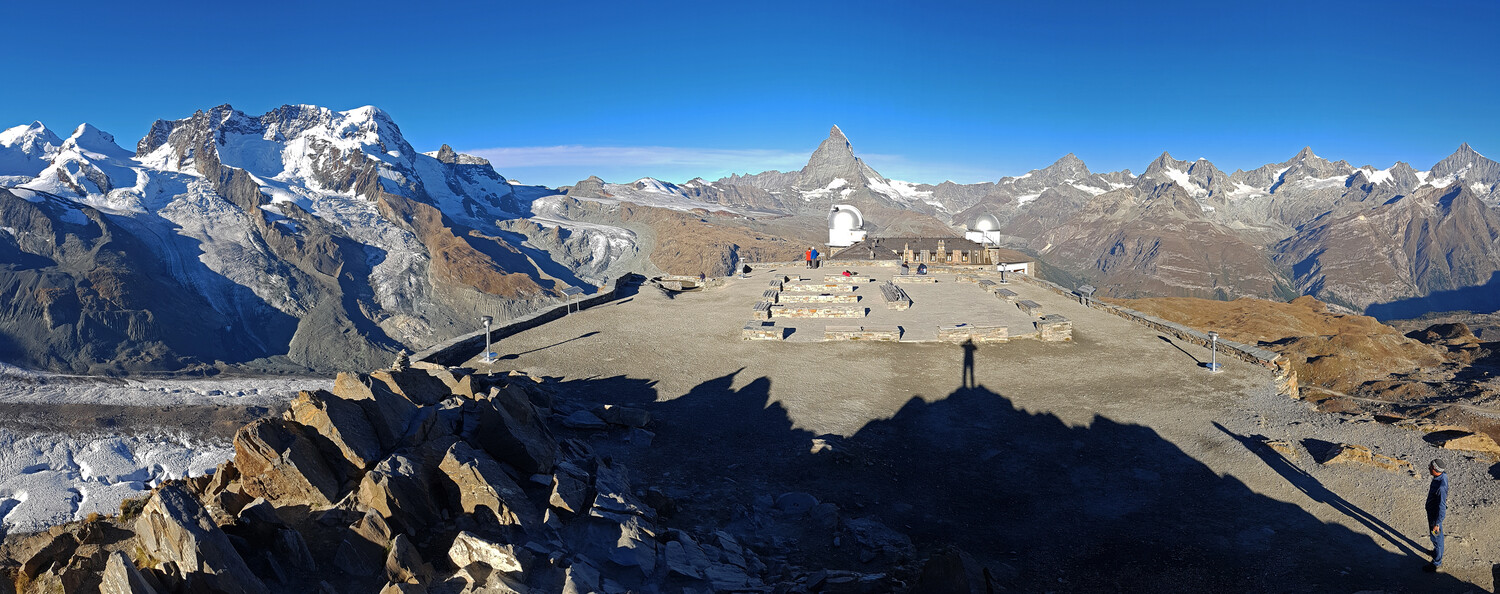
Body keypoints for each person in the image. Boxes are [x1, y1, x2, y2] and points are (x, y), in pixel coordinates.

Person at [1425, 459, 1449, 572]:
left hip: (1435, 517)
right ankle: (1436, 552)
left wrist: (1437, 523)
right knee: (1435, 537)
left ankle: (1437, 562)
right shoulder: (1443, 476)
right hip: (1432, 513)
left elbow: (1442, 507)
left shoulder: (1441, 487)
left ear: (1435, 470)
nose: (1429, 468)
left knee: (1436, 537)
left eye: (1430, 467)